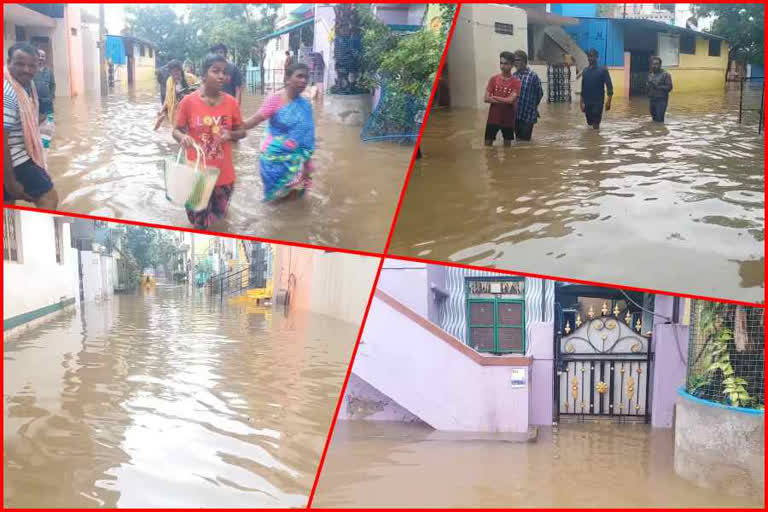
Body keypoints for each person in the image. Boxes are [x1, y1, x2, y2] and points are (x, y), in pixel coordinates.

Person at [173, 54, 243, 229]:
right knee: (199, 224)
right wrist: (183, 137)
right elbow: (175, 130)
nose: (222, 76)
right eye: (216, 71)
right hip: (196, 176)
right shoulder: (188, 102)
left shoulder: (232, 103)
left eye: (225, 72)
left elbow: (241, 131)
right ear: (203, 75)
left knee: (219, 223)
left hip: (224, 178)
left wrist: (230, 135)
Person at [239, 62, 314, 202]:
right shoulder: (275, 99)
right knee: (274, 201)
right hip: (273, 161)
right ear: (287, 78)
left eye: (306, 77)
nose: (303, 80)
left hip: (294, 160)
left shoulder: (306, 106)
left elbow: (307, 138)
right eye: (299, 76)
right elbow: (256, 119)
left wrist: (307, 164)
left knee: (295, 199)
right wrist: (236, 126)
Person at [4, 43, 58, 208]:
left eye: (32, 65)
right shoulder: (8, 93)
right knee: (49, 197)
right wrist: (11, 182)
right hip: (15, 158)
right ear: (8, 62)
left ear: (39, 66)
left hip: (16, 153)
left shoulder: (28, 85)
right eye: (20, 64)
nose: (26, 69)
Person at [484, 51, 521, 147]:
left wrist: (495, 97)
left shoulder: (516, 82)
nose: (502, 66)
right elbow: (486, 98)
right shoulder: (493, 79)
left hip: (508, 119)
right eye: (501, 63)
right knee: (487, 145)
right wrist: (505, 99)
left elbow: (511, 101)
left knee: (507, 148)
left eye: (505, 63)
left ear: (512, 65)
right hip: (493, 118)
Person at [155, 59, 199, 130]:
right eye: (173, 72)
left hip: (190, 114)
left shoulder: (191, 78)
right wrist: (162, 110)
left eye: (177, 71)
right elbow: (167, 97)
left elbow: (200, 93)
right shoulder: (169, 81)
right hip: (175, 114)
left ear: (181, 70)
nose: (175, 74)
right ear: (170, 73)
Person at [512, 50, 543, 141]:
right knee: (518, 141)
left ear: (524, 61)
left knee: (525, 141)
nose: (515, 63)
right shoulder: (514, 76)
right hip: (516, 114)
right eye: (514, 60)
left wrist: (533, 107)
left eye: (518, 60)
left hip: (528, 115)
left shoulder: (533, 76)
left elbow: (539, 93)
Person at [579, 48, 613, 130]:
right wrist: (581, 103)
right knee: (589, 123)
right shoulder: (585, 71)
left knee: (595, 124)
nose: (590, 58)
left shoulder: (603, 70)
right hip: (587, 102)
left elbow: (609, 86)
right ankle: (592, 141)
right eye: (589, 56)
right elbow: (583, 88)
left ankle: (596, 140)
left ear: (596, 57)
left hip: (598, 103)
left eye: (592, 56)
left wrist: (609, 101)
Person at [647, 56, 673, 123]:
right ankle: (655, 132)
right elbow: (649, 87)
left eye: (656, 64)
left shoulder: (666, 75)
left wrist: (657, 86)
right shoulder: (650, 74)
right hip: (652, 100)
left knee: (660, 120)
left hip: (661, 101)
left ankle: (661, 132)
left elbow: (669, 87)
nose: (654, 66)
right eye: (653, 64)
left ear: (660, 65)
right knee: (654, 119)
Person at [33, 48, 55, 120]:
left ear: (45, 58)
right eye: (39, 56)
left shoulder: (49, 71)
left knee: (50, 121)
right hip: (35, 102)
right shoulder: (32, 70)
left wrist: (50, 97)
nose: (40, 58)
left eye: (43, 56)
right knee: (36, 121)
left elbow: (53, 85)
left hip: (47, 102)